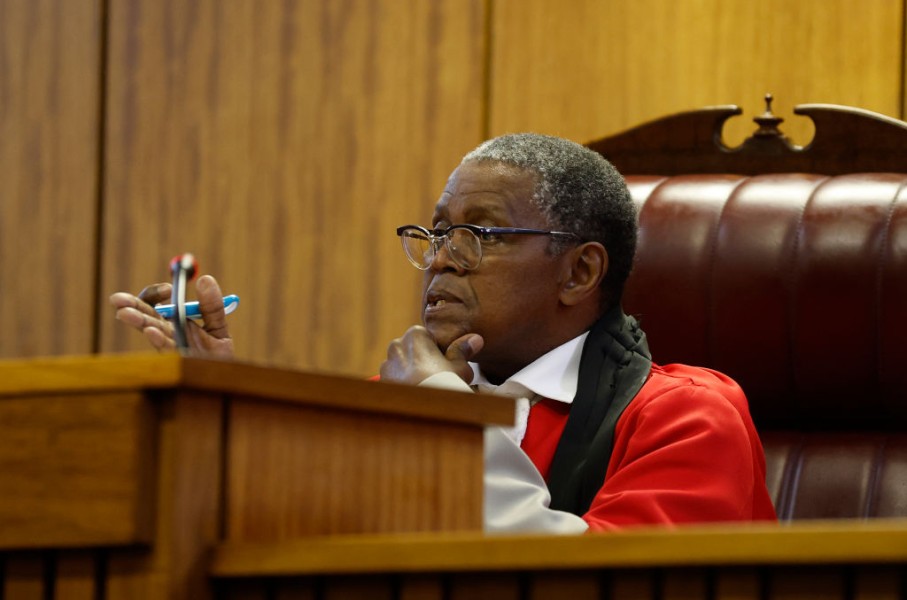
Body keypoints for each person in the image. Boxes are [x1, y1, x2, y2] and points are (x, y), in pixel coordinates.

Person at [111, 133, 777, 533]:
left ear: (578, 271)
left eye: (479, 233)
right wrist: (218, 404)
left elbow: (583, 582)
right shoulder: (391, 400)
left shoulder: (685, 416)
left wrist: (443, 416)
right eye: (434, 232)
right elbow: (268, 545)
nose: (441, 256)